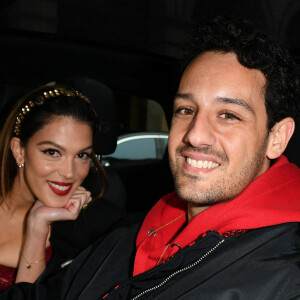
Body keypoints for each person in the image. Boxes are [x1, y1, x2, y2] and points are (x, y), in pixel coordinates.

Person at [1, 16, 300, 300]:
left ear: (277, 138)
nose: (195, 135)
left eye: (228, 115)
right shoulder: (133, 232)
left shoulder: (285, 270)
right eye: (186, 110)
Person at [0, 84, 123, 292]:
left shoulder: (95, 231)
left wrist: (38, 226)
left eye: (82, 155)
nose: (69, 172)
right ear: (19, 151)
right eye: (52, 152)